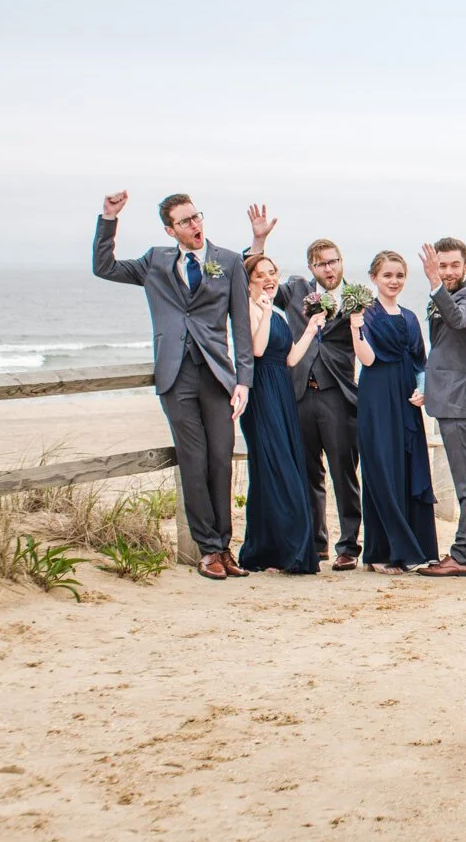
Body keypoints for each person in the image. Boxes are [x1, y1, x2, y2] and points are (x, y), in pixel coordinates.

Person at [93, 192, 252, 581]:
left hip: (216, 375)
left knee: (220, 460)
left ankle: (224, 546)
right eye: (185, 221)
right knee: (193, 460)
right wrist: (109, 218)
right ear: (170, 230)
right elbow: (104, 267)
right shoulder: (155, 261)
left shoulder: (229, 261)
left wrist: (243, 380)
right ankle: (209, 549)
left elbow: (241, 324)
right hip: (175, 375)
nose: (195, 225)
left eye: (196, 217)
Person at [247, 207, 362, 572]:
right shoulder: (295, 290)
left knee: (344, 471)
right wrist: (259, 241)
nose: (328, 269)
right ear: (311, 267)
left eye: (333, 261)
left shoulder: (357, 298)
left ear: (341, 262)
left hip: (337, 394)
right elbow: (255, 279)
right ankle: (315, 543)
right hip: (296, 393)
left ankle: (348, 546)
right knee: (307, 471)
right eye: (321, 264)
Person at [351, 250, 438, 574]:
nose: (394, 281)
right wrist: (356, 328)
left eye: (399, 275)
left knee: (407, 466)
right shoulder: (365, 314)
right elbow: (368, 359)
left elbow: (420, 362)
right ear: (374, 278)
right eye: (387, 275)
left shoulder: (410, 317)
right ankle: (380, 552)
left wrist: (422, 390)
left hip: (406, 398)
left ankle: (417, 547)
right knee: (382, 469)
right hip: (376, 396)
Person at [236, 254, 322, 575]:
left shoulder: (275, 312)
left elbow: (290, 358)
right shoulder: (249, 308)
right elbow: (258, 350)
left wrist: (311, 328)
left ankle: (275, 549)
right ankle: (281, 550)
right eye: (260, 275)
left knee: (286, 466)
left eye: (272, 272)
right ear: (249, 282)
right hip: (261, 393)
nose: (269, 279)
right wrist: (261, 309)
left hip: (282, 391)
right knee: (275, 468)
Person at [416, 237, 466, 577]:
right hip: (447, 399)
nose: (447, 272)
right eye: (441, 266)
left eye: (453, 265)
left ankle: (461, 555)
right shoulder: (446, 296)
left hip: (459, 401)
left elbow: (458, 320)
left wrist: (434, 283)